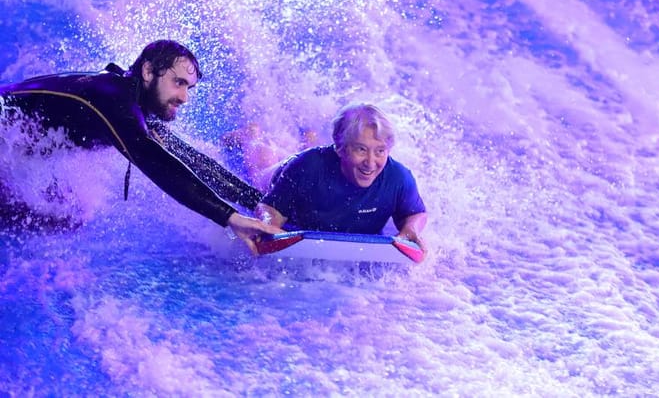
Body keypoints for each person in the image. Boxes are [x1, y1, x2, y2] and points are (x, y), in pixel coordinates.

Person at [0, 40, 280, 252]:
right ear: (148, 71)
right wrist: (229, 218)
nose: (184, 97)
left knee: (66, 216)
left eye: (188, 88)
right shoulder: (111, 99)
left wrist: (258, 201)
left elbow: (189, 160)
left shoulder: (134, 107)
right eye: (178, 83)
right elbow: (156, 163)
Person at [256, 102, 428, 252]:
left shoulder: (398, 177)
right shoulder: (306, 166)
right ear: (340, 148)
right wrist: (269, 224)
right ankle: (251, 136)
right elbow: (271, 208)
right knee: (260, 166)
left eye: (380, 151)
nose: (370, 162)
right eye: (361, 149)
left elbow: (416, 213)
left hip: (320, 166)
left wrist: (410, 229)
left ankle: (309, 137)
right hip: (281, 174)